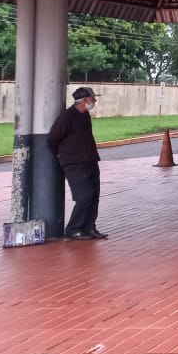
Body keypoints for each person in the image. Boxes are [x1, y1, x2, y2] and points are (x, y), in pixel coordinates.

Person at [47, 87, 106, 240]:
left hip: (90, 161)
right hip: (74, 164)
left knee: (94, 196)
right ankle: (73, 229)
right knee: (84, 196)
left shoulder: (85, 115)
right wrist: (61, 154)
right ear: (84, 100)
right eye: (92, 99)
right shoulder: (67, 117)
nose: (94, 101)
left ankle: (89, 227)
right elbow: (53, 138)